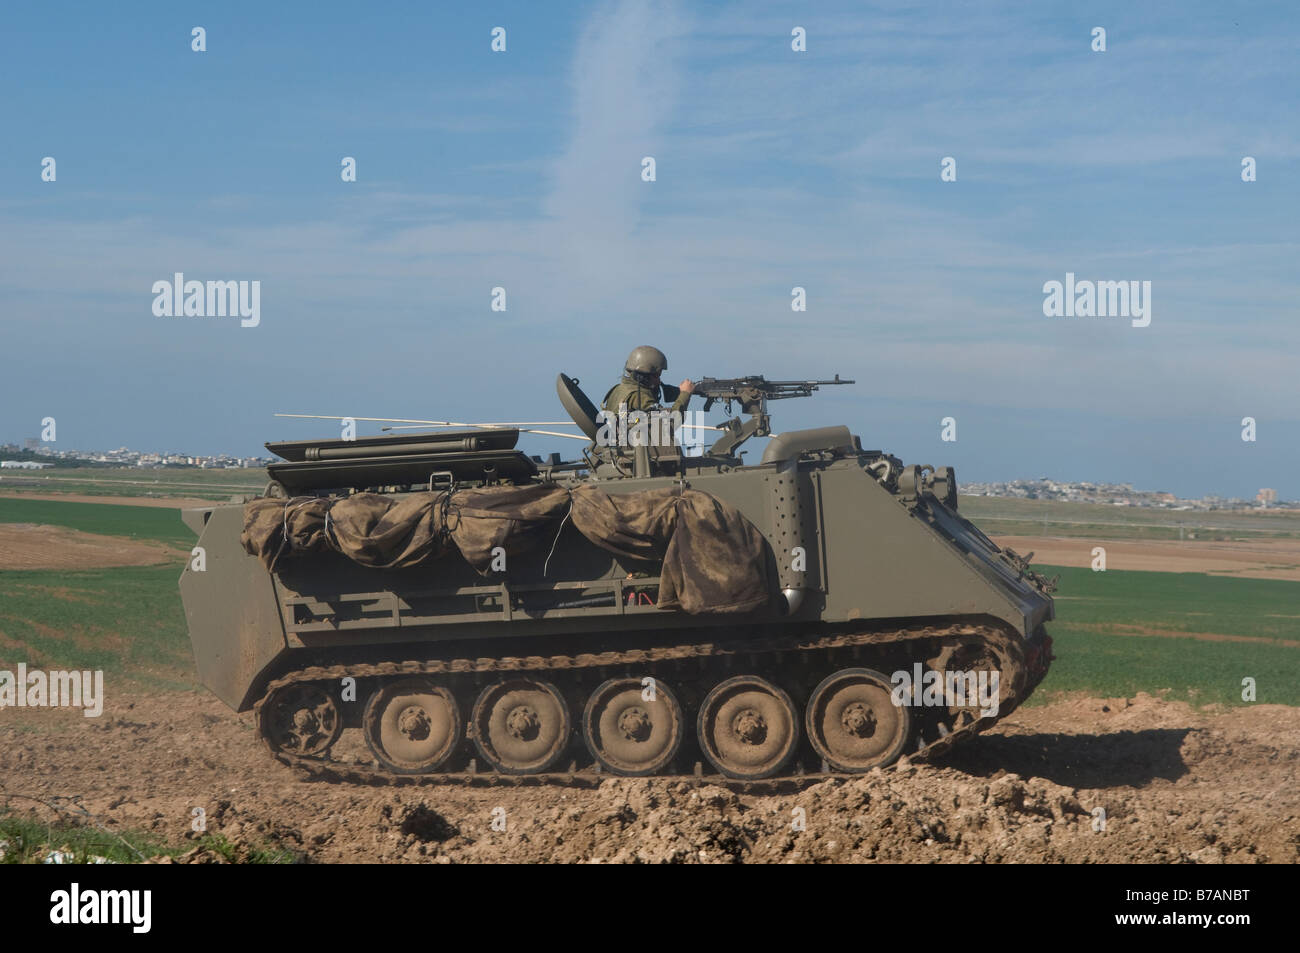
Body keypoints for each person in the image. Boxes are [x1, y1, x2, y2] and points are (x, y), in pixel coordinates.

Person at [602, 345, 694, 415]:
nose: (659, 381)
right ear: (643, 376)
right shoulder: (639, 396)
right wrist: (685, 394)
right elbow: (671, 422)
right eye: (657, 375)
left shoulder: (619, 389)